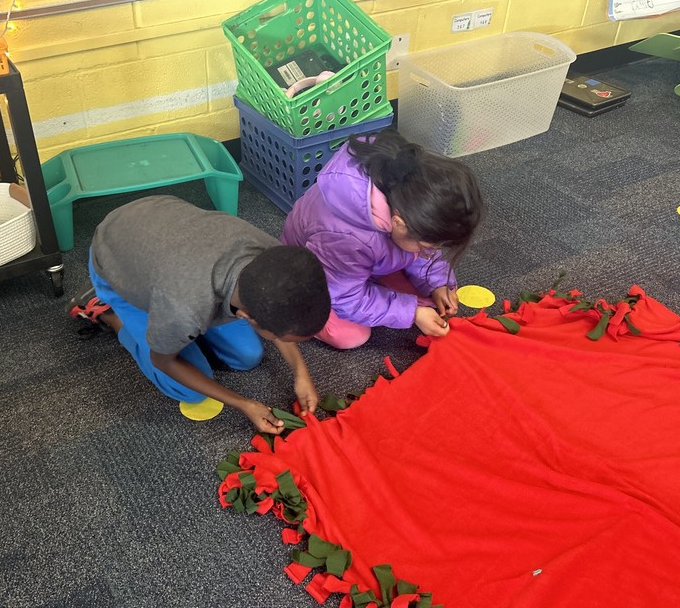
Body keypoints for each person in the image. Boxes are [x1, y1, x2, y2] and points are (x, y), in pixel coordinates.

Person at [75, 195, 331, 435]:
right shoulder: (183, 307)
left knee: (248, 356)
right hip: (114, 256)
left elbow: (283, 313)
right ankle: (108, 311)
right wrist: (242, 404)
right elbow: (164, 361)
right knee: (189, 390)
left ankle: (181, 334)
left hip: (162, 225)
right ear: (246, 316)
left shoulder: (278, 259)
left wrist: (300, 372)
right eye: (284, 337)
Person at [280, 129, 485, 349]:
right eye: (428, 246)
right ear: (398, 223)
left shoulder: (411, 201)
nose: (432, 250)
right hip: (311, 277)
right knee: (351, 335)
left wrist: (437, 283)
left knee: (425, 300)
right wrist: (412, 313)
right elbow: (347, 299)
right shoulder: (346, 238)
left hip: (356, 259)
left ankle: (386, 285)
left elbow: (425, 243)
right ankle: (303, 316)